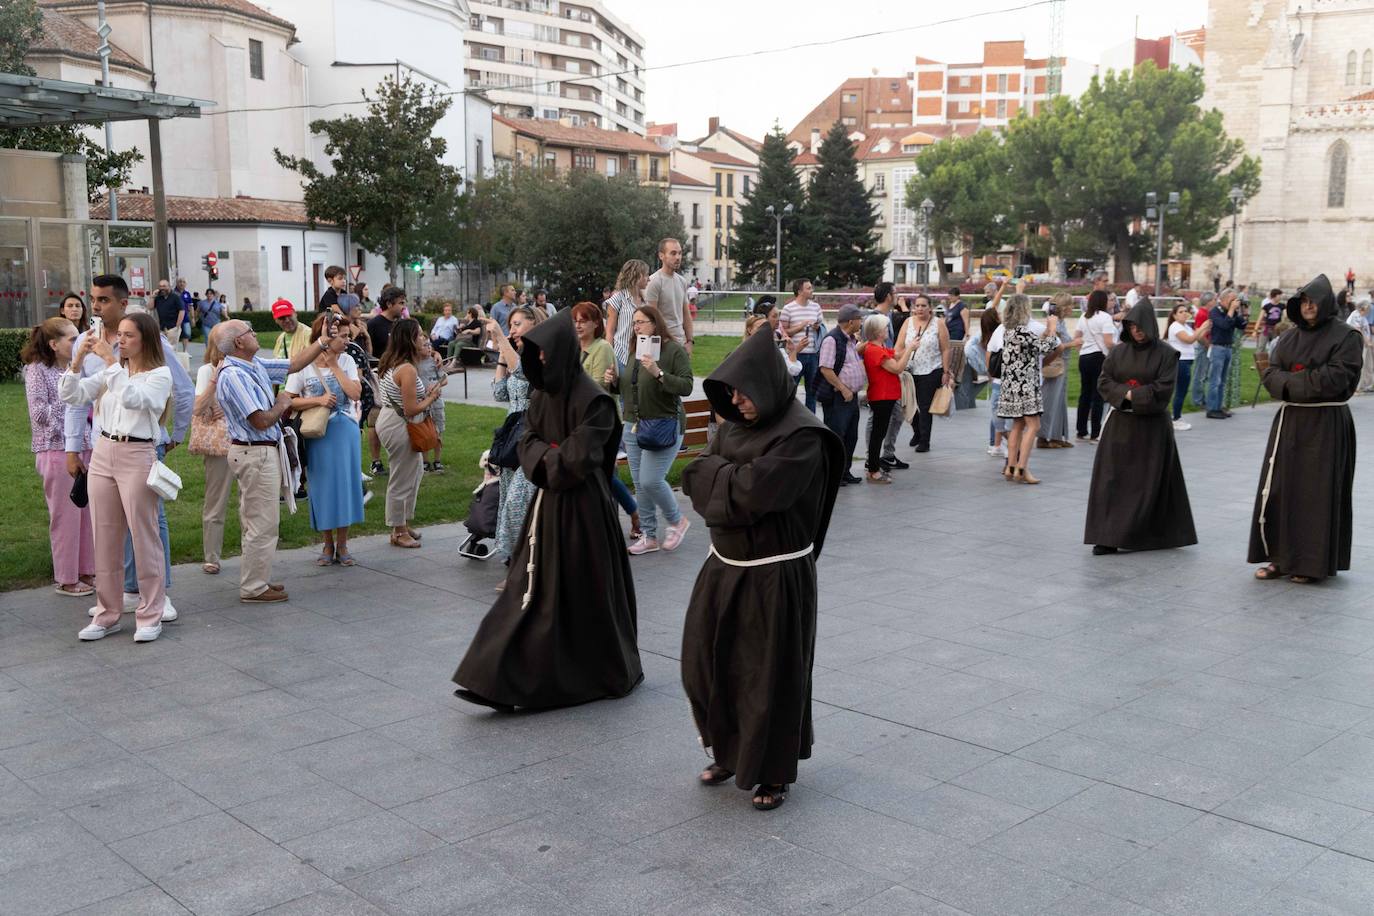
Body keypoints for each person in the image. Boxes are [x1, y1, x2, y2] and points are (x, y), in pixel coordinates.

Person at [680, 328, 843, 811]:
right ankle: (730, 752)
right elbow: (692, 476)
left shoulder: (802, 435)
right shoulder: (732, 425)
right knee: (707, 664)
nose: (736, 401)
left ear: (769, 384)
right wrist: (727, 477)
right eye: (730, 392)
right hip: (723, 565)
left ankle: (772, 770)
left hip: (775, 574)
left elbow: (755, 494)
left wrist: (719, 477)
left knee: (766, 675)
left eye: (744, 392)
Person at [453, 310, 642, 712]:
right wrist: (547, 454)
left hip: (585, 516)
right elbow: (526, 444)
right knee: (526, 594)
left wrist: (547, 455)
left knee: (577, 597)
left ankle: (574, 675)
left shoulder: (596, 404)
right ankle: (497, 677)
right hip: (546, 509)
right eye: (533, 355)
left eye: (542, 355)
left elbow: (575, 462)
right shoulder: (541, 397)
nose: (537, 362)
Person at [65, 275, 192, 623]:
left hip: (142, 444)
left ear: (122, 303)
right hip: (103, 443)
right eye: (93, 299)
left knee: (149, 523)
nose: (96, 306)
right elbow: (76, 400)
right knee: (108, 527)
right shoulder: (87, 341)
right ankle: (123, 594)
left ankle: (157, 595)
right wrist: (72, 447)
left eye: (103, 299)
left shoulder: (148, 346)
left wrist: (175, 433)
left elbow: (176, 390)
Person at [60, 311, 172, 642]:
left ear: (145, 340)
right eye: (118, 335)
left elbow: (137, 400)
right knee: (104, 536)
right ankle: (107, 613)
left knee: (144, 534)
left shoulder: (158, 375)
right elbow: (72, 395)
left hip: (137, 454)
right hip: (104, 452)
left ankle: (151, 613)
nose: (119, 340)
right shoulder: (115, 372)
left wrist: (109, 362)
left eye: (128, 336)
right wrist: (77, 361)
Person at [1249, 274, 1363, 583]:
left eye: (1313, 302)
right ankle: (1278, 557)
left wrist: (1290, 382)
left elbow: (1334, 380)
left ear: (1325, 303)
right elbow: (1270, 374)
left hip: (1325, 423)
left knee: (1315, 494)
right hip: (1290, 422)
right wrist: (1302, 382)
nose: (1309, 307)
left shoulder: (1346, 337)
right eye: (1304, 302)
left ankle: (1310, 563)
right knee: (1279, 490)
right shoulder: (1288, 337)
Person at [209, 318, 331, 602]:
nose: (254, 333)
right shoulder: (234, 374)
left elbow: (294, 364)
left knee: (257, 520)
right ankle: (253, 587)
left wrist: (322, 341)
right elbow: (261, 419)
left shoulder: (252, 365)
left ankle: (257, 579)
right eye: (249, 330)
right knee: (261, 522)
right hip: (255, 452)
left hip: (259, 452)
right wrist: (283, 402)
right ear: (239, 342)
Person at [1084, 298, 1197, 554]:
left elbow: (1164, 388)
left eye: (1140, 325)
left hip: (1152, 428)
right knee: (1112, 480)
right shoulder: (1118, 352)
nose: (1137, 330)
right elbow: (1104, 382)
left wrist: (1132, 395)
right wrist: (1129, 394)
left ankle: (1146, 534)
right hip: (1121, 424)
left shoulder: (1167, 354)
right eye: (1132, 326)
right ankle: (1108, 535)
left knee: (1149, 482)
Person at [24, 317, 95, 597]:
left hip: (85, 445)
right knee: (65, 517)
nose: (77, 343)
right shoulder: (37, 370)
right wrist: (71, 423)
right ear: (53, 344)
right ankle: (66, 578)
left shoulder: (76, 367)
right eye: (71, 338)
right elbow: (39, 413)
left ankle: (88, 570)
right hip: (55, 450)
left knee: (87, 513)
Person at [286, 314, 365, 565]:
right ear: (326, 337)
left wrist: (334, 365)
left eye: (347, 336)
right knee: (322, 488)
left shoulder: (347, 360)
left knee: (344, 486)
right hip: (317, 433)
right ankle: (327, 544)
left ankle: (342, 544)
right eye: (342, 336)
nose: (347, 340)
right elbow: (288, 399)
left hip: (345, 431)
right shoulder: (304, 363)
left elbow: (354, 393)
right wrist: (317, 401)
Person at [622, 305, 693, 554]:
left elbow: (686, 386)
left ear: (655, 323)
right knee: (640, 484)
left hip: (664, 424)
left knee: (651, 480)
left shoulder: (672, 350)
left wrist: (659, 373)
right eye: (634, 323)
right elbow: (631, 388)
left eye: (641, 322)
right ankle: (649, 537)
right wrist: (612, 382)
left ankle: (677, 520)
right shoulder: (636, 350)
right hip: (634, 425)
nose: (636, 327)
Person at [375, 318, 444, 548]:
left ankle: (401, 523)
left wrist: (427, 395)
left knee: (412, 473)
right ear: (409, 340)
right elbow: (411, 408)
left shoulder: (393, 361)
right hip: (399, 424)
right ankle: (398, 529)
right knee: (402, 477)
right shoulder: (406, 369)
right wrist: (432, 397)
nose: (423, 338)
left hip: (392, 420)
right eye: (419, 335)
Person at [576, 301, 641, 539]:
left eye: (584, 320)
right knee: (598, 472)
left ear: (596, 323)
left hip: (601, 421)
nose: (578, 324)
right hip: (580, 421)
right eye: (576, 320)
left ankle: (632, 512)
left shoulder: (601, 347)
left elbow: (597, 386)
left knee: (602, 472)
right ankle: (615, 519)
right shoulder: (575, 347)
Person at [486, 306, 542, 564]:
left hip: (533, 432)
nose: (513, 329)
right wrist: (501, 357)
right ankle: (513, 554)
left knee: (518, 499)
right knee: (509, 496)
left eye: (518, 323)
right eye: (511, 325)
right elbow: (500, 394)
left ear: (534, 323)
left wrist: (499, 335)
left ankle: (525, 554)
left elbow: (523, 372)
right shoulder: (515, 354)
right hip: (513, 435)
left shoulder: (539, 353)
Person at [997, 293, 1061, 484]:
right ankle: (1021, 468)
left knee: (1018, 425)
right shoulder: (1021, 331)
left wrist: (1045, 333)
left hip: (1012, 386)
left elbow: (1032, 346)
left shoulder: (1009, 331)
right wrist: (1052, 328)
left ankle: (1010, 467)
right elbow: (1046, 347)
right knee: (1034, 426)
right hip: (1025, 385)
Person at [194, 325, 233, 575]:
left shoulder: (249, 366)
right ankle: (212, 556)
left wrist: (225, 407)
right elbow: (199, 406)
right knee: (216, 500)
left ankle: (255, 553)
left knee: (251, 502)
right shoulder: (206, 370)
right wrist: (214, 381)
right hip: (219, 445)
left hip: (248, 440)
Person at [817, 304, 865, 484]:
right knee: (837, 436)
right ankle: (833, 474)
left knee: (851, 436)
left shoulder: (850, 339)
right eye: (860, 319)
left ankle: (845, 471)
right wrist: (843, 388)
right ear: (851, 321)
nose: (861, 322)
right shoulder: (832, 339)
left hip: (851, 397)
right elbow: (825, 369)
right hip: (839, 396)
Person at [860, 314, 909, 484]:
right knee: (878, 434)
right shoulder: (874, 350)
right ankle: (873, 470)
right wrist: (910, 350)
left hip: (885, 395)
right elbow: (897, 368)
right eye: (885, 328)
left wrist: (911, 345)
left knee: (879, 433)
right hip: (881, 396)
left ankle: (874, 467)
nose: (888, 330)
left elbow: (896, 354)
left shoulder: (879, 348)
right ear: (878, 332)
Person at [900, 293, 953, 453]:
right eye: (917, 306)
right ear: (913, 308)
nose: (920, 308)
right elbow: (899, 346)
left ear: (930, 307)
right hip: (910, 370)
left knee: (924, 406)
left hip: (931, 370)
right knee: (908, 404)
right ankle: (917, 431)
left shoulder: (938, 324)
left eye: (923, 305)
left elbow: (945, 348)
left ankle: (925, 441)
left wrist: (946, 371)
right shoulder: (908, 322)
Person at [365, 287, 407, 474]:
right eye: (401, 303)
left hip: (399, 376)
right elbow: (368, 352)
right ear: (389, 304)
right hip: (378, 376)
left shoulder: (400, 324)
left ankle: (398, 456)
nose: (403, 307)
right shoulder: (375, 324)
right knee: (375, 418)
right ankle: (376, 461)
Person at [1036, 293, 1077, 448]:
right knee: (1051, 401)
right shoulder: (1055, 324)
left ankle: (1056, 435)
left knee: (1059, 401)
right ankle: (1044, 436)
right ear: (1064, 307)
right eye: (1071, 305)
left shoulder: (1061, 323)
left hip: (1062, 365)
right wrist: (1073, 343)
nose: (1073, 308)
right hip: (1056, 366)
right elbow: (1053, 345)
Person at [1075, 289, 1116, 441]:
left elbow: (1077, 338)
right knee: (1097, 395)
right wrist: (1120, 348)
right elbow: (1108, 342)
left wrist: (1082, 350)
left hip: (1084, 357)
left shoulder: (1083, 317)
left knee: (1084, 394)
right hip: (1099, 357)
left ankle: (1081, 430)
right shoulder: (1105, 317)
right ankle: (1096, 432)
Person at [780, 278, 824, 412]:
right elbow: (783, 331)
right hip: (796, 355)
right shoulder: (788, 309)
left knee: (812, 393)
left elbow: (821, 327)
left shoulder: (816, 307)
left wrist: (817, 327)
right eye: (809, 288)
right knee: (790, 391)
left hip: (813, 355)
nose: (812, 290)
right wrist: (801, 326)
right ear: (800, 291)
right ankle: (789, 420)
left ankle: (811, 424)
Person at [1164, 303, 1209, 431]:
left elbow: (1197, 337)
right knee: (1180, 390)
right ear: (1174, 315)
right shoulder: (1175, 326)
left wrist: (1205, 328)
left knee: (1182, 390)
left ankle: (1176, 416)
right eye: (1181, 312)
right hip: (1180, 361)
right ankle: (1176, 418)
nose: (1184, 313)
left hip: (1187, 361)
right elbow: (1188, 340)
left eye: (1185, 311)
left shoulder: (1185, 326)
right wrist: (1202, 327)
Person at [645, 237, 694, 352]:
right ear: (661, 256)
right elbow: (651, 318)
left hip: (681, 344)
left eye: (680, 253)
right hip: (663, 344)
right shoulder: (654, 281)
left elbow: (686, 314)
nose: (677, 257)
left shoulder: (682, 281)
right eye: (673, 253)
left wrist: (690, 341)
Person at [1205, 288, 1247, 419]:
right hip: (1218, 348)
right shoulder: (1215, 312)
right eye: (1232, 299)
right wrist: (1231, 311)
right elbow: (1224, 325)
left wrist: (1242, 312)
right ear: (1223, 299)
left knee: (1222, 381)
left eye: (1236, 299)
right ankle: (1211, 409)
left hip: (1228, 348)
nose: (1234, 302)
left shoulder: (1232, 312)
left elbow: (1242, 325)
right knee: (1215, 380)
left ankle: (1218, 407)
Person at [605, 259, 650, 375]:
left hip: (640, 358)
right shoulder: (617, 299)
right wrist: (609, 361)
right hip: (621, 357)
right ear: (637, 276)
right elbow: (609, 333)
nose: (648, 279)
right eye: (646, 275)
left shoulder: (645, 302)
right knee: (624, 392)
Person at [1190, 290, 1216, 407]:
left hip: (1207, 345)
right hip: (1203, 346)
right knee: (1200, 374)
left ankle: (1201, 398)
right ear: (1209, 302)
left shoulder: (1207, 313)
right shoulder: (1202, 314)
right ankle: (1197, 399)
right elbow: (1199, 335)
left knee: (1204, 374)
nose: (1216, 301)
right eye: (1214, 299)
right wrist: (1208, 345)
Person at [152, 279, 185, 349]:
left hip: (173, 327)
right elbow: (150, 307)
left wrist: (177, 326)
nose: (162, 288)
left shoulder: (175, 297)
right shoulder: (158, 297)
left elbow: (182, 311)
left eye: (164, 286)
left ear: (169, 287)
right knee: (162, 348)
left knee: (171, 349)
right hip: (162, 327)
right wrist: (153, 297)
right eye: (160, 286)